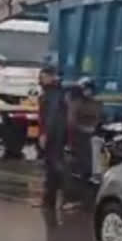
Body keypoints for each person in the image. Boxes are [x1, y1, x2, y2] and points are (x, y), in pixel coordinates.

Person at [34, 66, 79, 211]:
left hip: (56, 135)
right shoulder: (51, 92)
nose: (41, 79)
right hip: (56, 134)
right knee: (51, 167)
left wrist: (45, 134)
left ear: (51, 77)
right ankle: (49, 200)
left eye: (43, 76)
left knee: (58, 167)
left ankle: (68, 199)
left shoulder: (54, 93)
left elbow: (52, 117)